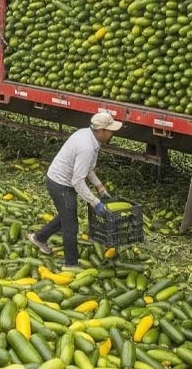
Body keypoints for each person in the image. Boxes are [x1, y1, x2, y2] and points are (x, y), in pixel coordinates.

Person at [27, 112, 121, 269]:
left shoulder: (88, 135)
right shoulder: (87, 147)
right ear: (101, 131)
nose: (112, 133)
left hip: (62, 181)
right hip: (60, 184)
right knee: (71, 225)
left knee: (67, 215)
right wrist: (95, 202)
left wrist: (99, 186)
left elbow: (87, 169)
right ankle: (71, 264)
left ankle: (39, 238)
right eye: (110, 130)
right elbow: (77, 181)